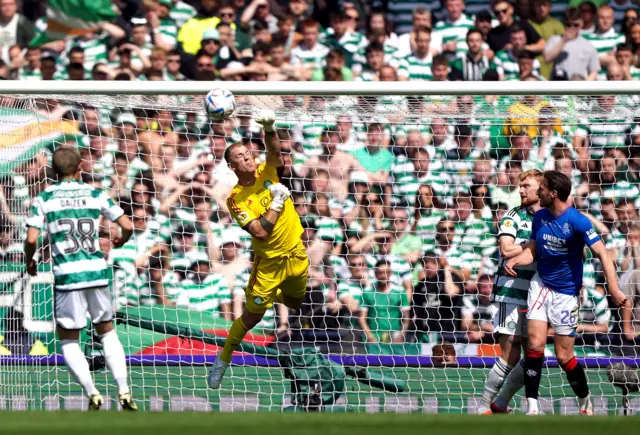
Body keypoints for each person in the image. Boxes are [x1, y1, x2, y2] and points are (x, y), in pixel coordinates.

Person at [504, 171, 629, 415]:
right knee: (536, 345)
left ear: (553, 194)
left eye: (542, 189)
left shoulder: (578, 221)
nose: (537, 192)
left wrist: (613, 288)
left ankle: (584, 401)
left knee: (563, 355)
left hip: (566, 293)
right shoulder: (540, 217)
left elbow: (603, 254)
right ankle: (532, 406)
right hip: (541, 285)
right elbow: (534, 250)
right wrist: (517, 260)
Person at [23, 146, 137, 411]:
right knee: (107, 332)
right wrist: (121, 240)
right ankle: (123, 389)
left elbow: (31, 238)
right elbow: (128, 225)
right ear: (81, 166)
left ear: (53, 169)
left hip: (67, 275)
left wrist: (31, 259)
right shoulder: (94, 193)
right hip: (96, 272)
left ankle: (92, 392)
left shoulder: (44, 198)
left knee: (69, 339)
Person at [207, 110, 309, 389]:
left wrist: (269, 128)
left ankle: (276, 299)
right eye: (239, 157)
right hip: (269, 264)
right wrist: (276, 204)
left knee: (298, 304)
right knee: (253, 316)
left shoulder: (268, 172)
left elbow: (276, 153)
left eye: (248, 152)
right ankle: (224, 358)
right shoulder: (236, 200)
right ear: (231, 166)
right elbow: (260, 231)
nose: (247, 157)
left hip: (298, 256)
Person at [477, 169, 542, 415]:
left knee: (535, 352)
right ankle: (482, 407)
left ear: (542, 188)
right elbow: (506, 248)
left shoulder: (549, 217)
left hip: (538, 294)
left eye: (527, 185)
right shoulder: (514, 215)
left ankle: (501, 402)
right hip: (510, 292)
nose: (521, 189)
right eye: (520, 185)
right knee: (510, 352)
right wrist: (537, 244)